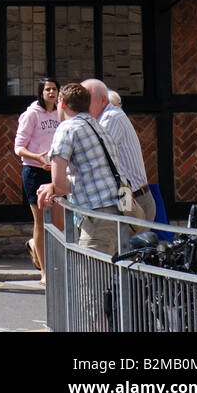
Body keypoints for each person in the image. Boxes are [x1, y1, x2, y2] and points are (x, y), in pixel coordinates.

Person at [37, 82, 122, 257]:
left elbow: (59, 183)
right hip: (117, 212)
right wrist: (56, 185)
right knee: (107, 279)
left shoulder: (67, 128)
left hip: (97, 215)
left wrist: (53, 186)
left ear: (62, 103)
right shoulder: (97, 126)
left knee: (89, 280)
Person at [82, 78, 156, 228]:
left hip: (133, 199)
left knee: (123, 248)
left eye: (86, 100)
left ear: (102, 100)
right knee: (118, 248)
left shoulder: (111, 117)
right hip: (127, 197)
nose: (81, 105)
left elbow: (95, 155)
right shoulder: (101, 119)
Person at [14, 77, 60, 283]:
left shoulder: (61, 113)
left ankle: (45, 254)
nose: (51, 93)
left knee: (59, 221)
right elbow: (19, 147)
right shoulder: (31, 115)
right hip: (34, 171)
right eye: (48, 89)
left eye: (54, 89)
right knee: (40, 221)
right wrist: (37, 157)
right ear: (41, 93)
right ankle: (44, 271)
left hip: (56, 171)